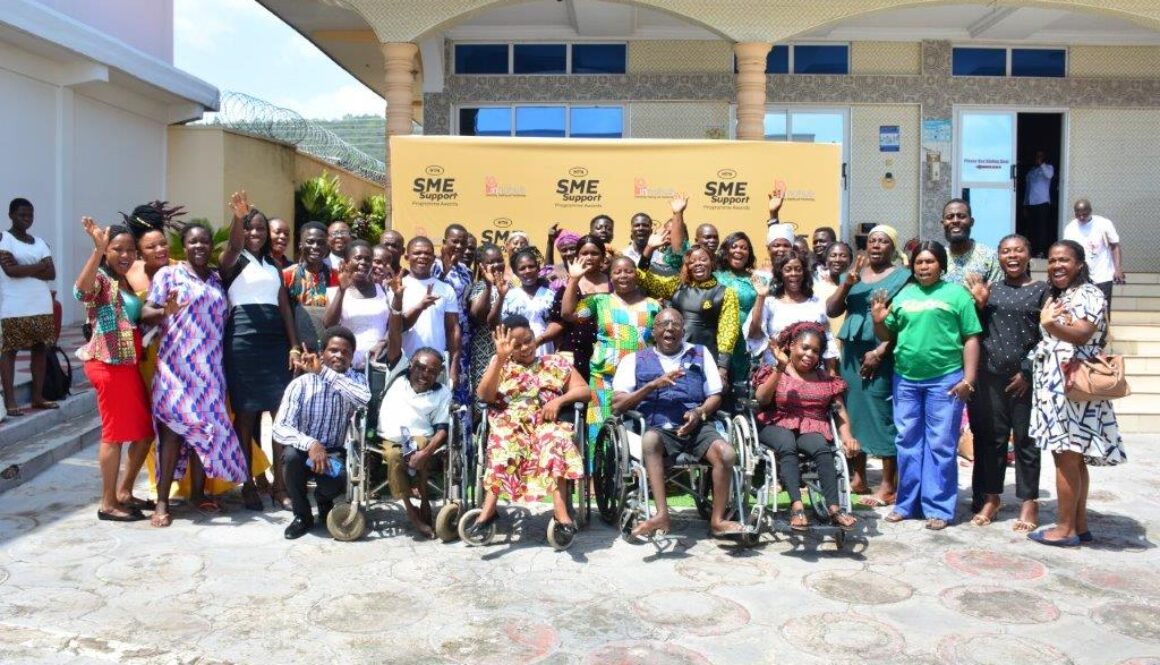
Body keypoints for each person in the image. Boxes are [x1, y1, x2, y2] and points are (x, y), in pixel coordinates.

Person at [144, 222, 248, 527]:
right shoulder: (169, 274)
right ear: (184, 246)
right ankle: (162, 501)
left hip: (210, 371)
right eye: (193, 242)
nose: (200, 246)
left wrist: (238, 219)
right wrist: (166, 309)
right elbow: (146, 312)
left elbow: (235, 248)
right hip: (176, 369)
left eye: (204, 241)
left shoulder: (217, 279)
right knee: (173, 433)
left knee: (203, 431)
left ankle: (198, 494)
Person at [873, 241, 981, 530]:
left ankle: (939, 508)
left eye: (930, 261)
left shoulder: (957, 295)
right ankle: (906, 504)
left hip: (945, 379)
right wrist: (878, 321)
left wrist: (968, 380)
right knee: (907, 442)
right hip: (906, 379)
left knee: (941, 444)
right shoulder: (905, 295)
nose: (924, 267)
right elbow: (887, 332)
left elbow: (971, 337)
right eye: (919, 262)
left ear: (941, 265)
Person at [611, 308, 744, 540]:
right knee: (650, 440)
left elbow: (715, 395)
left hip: (696, 424)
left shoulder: (700, 353)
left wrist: (700, 411)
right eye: (663, 324)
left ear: (684, 330)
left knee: (726, 453)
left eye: (675, 324)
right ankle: (661, 515)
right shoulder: (633, 360)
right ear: (654, 331)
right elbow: (618, 405)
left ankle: (718, 520)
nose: (670, 328)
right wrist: (652, 385)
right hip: (657, 426)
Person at [1028, 240, 1124, 547]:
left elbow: (1082, 333)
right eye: (1053, 260)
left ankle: (1064, 528)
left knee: (1066, 458)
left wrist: (1050, 324)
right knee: (1073, 459)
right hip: (1058, 386)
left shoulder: (1089, 293)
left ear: (1079, 264)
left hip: (1071, 387)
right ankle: (1079, 525)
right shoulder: (1064, 294)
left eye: (1064, 260)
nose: (1057, 265)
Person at [467, 316, 589, 541]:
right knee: (504, 442)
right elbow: (484, 396)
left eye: (529, 340)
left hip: (546, 423)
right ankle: (488, 512)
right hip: (510, 423)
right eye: (517, 345)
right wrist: (501, 359)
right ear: (506, 346)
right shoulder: (500, 363)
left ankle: (562, 514)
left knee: (555, 442)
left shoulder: (554, 363)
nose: (525, 348)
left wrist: (558, 402)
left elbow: (584, 391)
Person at [220, 191, 299, 511]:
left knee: (280, 415)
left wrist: (293, 345)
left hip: (274, 342)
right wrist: (238, 217)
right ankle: (248, 483)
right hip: (243, 341)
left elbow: (284, 308)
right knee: (246, 415)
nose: (256, 234)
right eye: (250, 228)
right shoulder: (234, 261)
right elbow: (233, 246)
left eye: (260, 229)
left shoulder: (272, 265)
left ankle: (281, 485)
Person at [962, 234, 1046, 532]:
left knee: (1026, 442)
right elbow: (973, 330)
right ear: (999, 257)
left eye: (1018, 250)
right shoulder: (990, 290)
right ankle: (992, 498)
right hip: (989, 378)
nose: (1012, 256)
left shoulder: (1042, 291)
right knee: (991, 441)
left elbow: (1047, 337)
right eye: (1006, 251)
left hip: (1025, 379)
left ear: (1028, 255)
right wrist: (980, 305)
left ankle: (1029, 501)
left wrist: (1027, 372)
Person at [74, 218, 155, 521]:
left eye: (131, 249)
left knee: (144, 432)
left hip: (126, 363)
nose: (126, 255)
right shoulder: (102, 281)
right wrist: (95, 251)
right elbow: (80, 293)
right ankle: (107, 503)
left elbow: (135, 314)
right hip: (108, 364)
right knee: (114, 434)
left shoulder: (123, 281)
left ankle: (123, 492)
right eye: (117, 249)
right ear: (106, 251)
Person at [826, 225, 910, 506]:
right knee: (855, 412)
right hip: (852, 352)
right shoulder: (854, 274)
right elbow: (832, 310)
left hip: (882, 351)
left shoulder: (903, 277)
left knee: (881, 412)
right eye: (872, 240)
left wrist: (881, 351)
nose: (875, 245)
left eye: (883, 241)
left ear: (892, 247)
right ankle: (859, 476)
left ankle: (888, 484)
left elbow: (903, 320)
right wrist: (847, 283)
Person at [753, 322, 859, 531]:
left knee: (822, 447)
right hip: (775, 421)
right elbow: (762, 399)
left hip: (812, 425)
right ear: (791, 345)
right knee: (787, 443)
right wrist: (780, 367)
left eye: (815, 351)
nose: (809, 354)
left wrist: (847, 436)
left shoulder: (826, 380)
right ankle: (797, 506)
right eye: (805, 347)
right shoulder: (774, 370)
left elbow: (839, 411)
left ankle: (834, 508)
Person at [273, 326, 371, 539]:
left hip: (335, 452)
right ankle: (303, 516)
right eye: (334, 350)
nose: (339, 356)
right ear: (322, 353)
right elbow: (279, 427)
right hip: (304, 451)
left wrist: (324, 373)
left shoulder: (356, 380)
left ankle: (323, 499)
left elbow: (365, 400)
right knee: (290, 458)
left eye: (346, 352)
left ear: (352, 357)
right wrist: (310, 444)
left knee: (341, 478)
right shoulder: (300, 384)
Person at [562, 254, 661, 444]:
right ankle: (599, 473)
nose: (623, 275)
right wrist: (574, 279)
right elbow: (568, 314)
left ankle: (634, 473)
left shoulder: (653, 306)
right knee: (600, 433)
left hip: (641, 381)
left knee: (637, 434)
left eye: (628, 271)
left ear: (637, 275)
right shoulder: (599, 302)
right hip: (604, 379)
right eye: (617, 272)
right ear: (611, 277)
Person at [376, 298, 451, 538]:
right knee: (396, 455)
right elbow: (396, 334)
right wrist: (398, 301)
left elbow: (442, 429)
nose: (425, 373)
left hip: (421, 438)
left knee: (420, 450)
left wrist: (426, 452)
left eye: (432, 371)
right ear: (411, 365)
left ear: (438, 374)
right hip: (390, 438)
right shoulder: (398, 374)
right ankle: (412, 513)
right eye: (420, 367)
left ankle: (426, 499)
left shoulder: (441, 392)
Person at [637, 235, 739, 385]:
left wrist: (722, 368)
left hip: (707, 356)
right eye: (692, 262)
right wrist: (649, 249)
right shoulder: (676, 286)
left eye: (703, 260)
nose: (698, 264)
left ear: (712, 262)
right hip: (674, 353)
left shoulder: (725, 292)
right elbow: (642, 278)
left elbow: (728, 331)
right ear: (687, 266)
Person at [0, 198, 57, 415]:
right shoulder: (4, 239)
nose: (26, 219)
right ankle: (11, 402)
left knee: (40, 348)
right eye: (22, 215)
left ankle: (37, 397)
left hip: (41, 304)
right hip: (15, 305)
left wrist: (24, 267)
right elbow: (10, 271)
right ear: (11, 215)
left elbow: (51, 273)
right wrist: (39, 266)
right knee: (10, 350)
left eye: (30, 215)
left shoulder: (39, 242)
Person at [745, 251, 839, 373]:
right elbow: (754, 334)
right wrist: (761, 297)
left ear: (804, 273)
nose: (793, 274)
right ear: (780, 274)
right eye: (788, 269)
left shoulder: (816, 303)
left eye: (798, 269)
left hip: (812, 374)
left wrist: (831, 373)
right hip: (777, 372)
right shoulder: (770, 303)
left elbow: (828, 340)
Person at [397, 237, 460, 388]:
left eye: (427, 253)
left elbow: (453, 331)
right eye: (417, 253)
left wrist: (453, 368)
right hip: (403, 364)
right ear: (407, 257)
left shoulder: (445, 289)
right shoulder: (398, 287)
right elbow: (395, 327)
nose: (423, 257)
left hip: (435, 367)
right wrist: (420, 306)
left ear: (433, 258)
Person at [549, 235, 608, 380]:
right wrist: (574, 280)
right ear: (577, 256)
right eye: (584, 253)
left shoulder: (614, 282)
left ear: (603, 257)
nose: (589, 257)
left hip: (608, 350)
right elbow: (566, 315)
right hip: (576, 351)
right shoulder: (568, 284)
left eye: (594, 253)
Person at [323, 241, 388, 370]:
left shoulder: (383, 290)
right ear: (345, 263)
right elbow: (329, 325)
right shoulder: (333, 292)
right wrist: (341, 291)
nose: (363, 262)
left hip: (378, 360)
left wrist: (383, 343)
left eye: (368, 259)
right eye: (358, 258)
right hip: (346, 362)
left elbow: (393, 325)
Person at [713, 231, 759, 406]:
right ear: (726, 251)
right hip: (720, 342)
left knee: (743, 391)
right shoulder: (715, 277)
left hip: (747, 344)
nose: (739, 251)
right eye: (734, 246)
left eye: (744, 248)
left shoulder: (757, 278)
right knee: (718, 386)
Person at [283, 222, 337, 352]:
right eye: (310, 242)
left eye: (321, 243)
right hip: (294, 348)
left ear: (327, 247)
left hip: (326, 350)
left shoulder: (336, 276)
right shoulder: (287, 275)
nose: (315, 247)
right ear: (300, 245)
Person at [1063, 198, 1125, 312]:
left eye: (1084, 214)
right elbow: (1068, 252)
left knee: (1103, 308)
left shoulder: (1104, 224)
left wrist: (1118, 269)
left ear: (1090, 211)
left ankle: (1104, 330)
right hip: (1081, 275)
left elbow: (1115, 246)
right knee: (1082, 308)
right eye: (1078, 214)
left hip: (1103, 273)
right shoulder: (1070, 229)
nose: (1081, 217)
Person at [500, 248, 560, 356]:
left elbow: (558, 324)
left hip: (546, 349)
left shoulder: (551, 295)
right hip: (520, 351)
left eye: (531, 266)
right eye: (522, 268)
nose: (527, 270)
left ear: (538, 268)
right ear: (516, 272)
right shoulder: (510, 296)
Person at [468, 244, 506, 393]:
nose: (497, 265)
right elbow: (478, 315)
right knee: (484, 395)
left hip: (509, 350)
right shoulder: (479, 287)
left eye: (500, 260)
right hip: (485, 351)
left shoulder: (512, 286)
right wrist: (490, 287)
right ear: (481, 265)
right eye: (491, 262)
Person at [941, 199, 1000, 286]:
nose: (955, 221)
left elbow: (997, 295)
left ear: (972, 222)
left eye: (961, 216)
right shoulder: (937, 258)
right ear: (943, 224)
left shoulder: (990, 257)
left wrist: (981, 298)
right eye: (950, 217)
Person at [813, 241, 853, 337]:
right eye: (833, 255)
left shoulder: (856, 288)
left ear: (850, 260)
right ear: (826, 261)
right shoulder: (815, 288)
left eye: (843, 255)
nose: (837, 259)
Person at [1023, 150, 1055, 255]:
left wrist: (1041, 164)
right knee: (1031, 228)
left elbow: (1049, 175)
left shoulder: (1048, 168)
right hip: (1031, 204)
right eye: (1037, 156)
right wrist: (1025, 205)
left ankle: (1041, 251)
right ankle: (1032, 250)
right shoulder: (1031, 171)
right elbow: (1028, 189)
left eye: (1040, 156)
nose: (1038, 158)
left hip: (1043, 202)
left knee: (1042, 229)